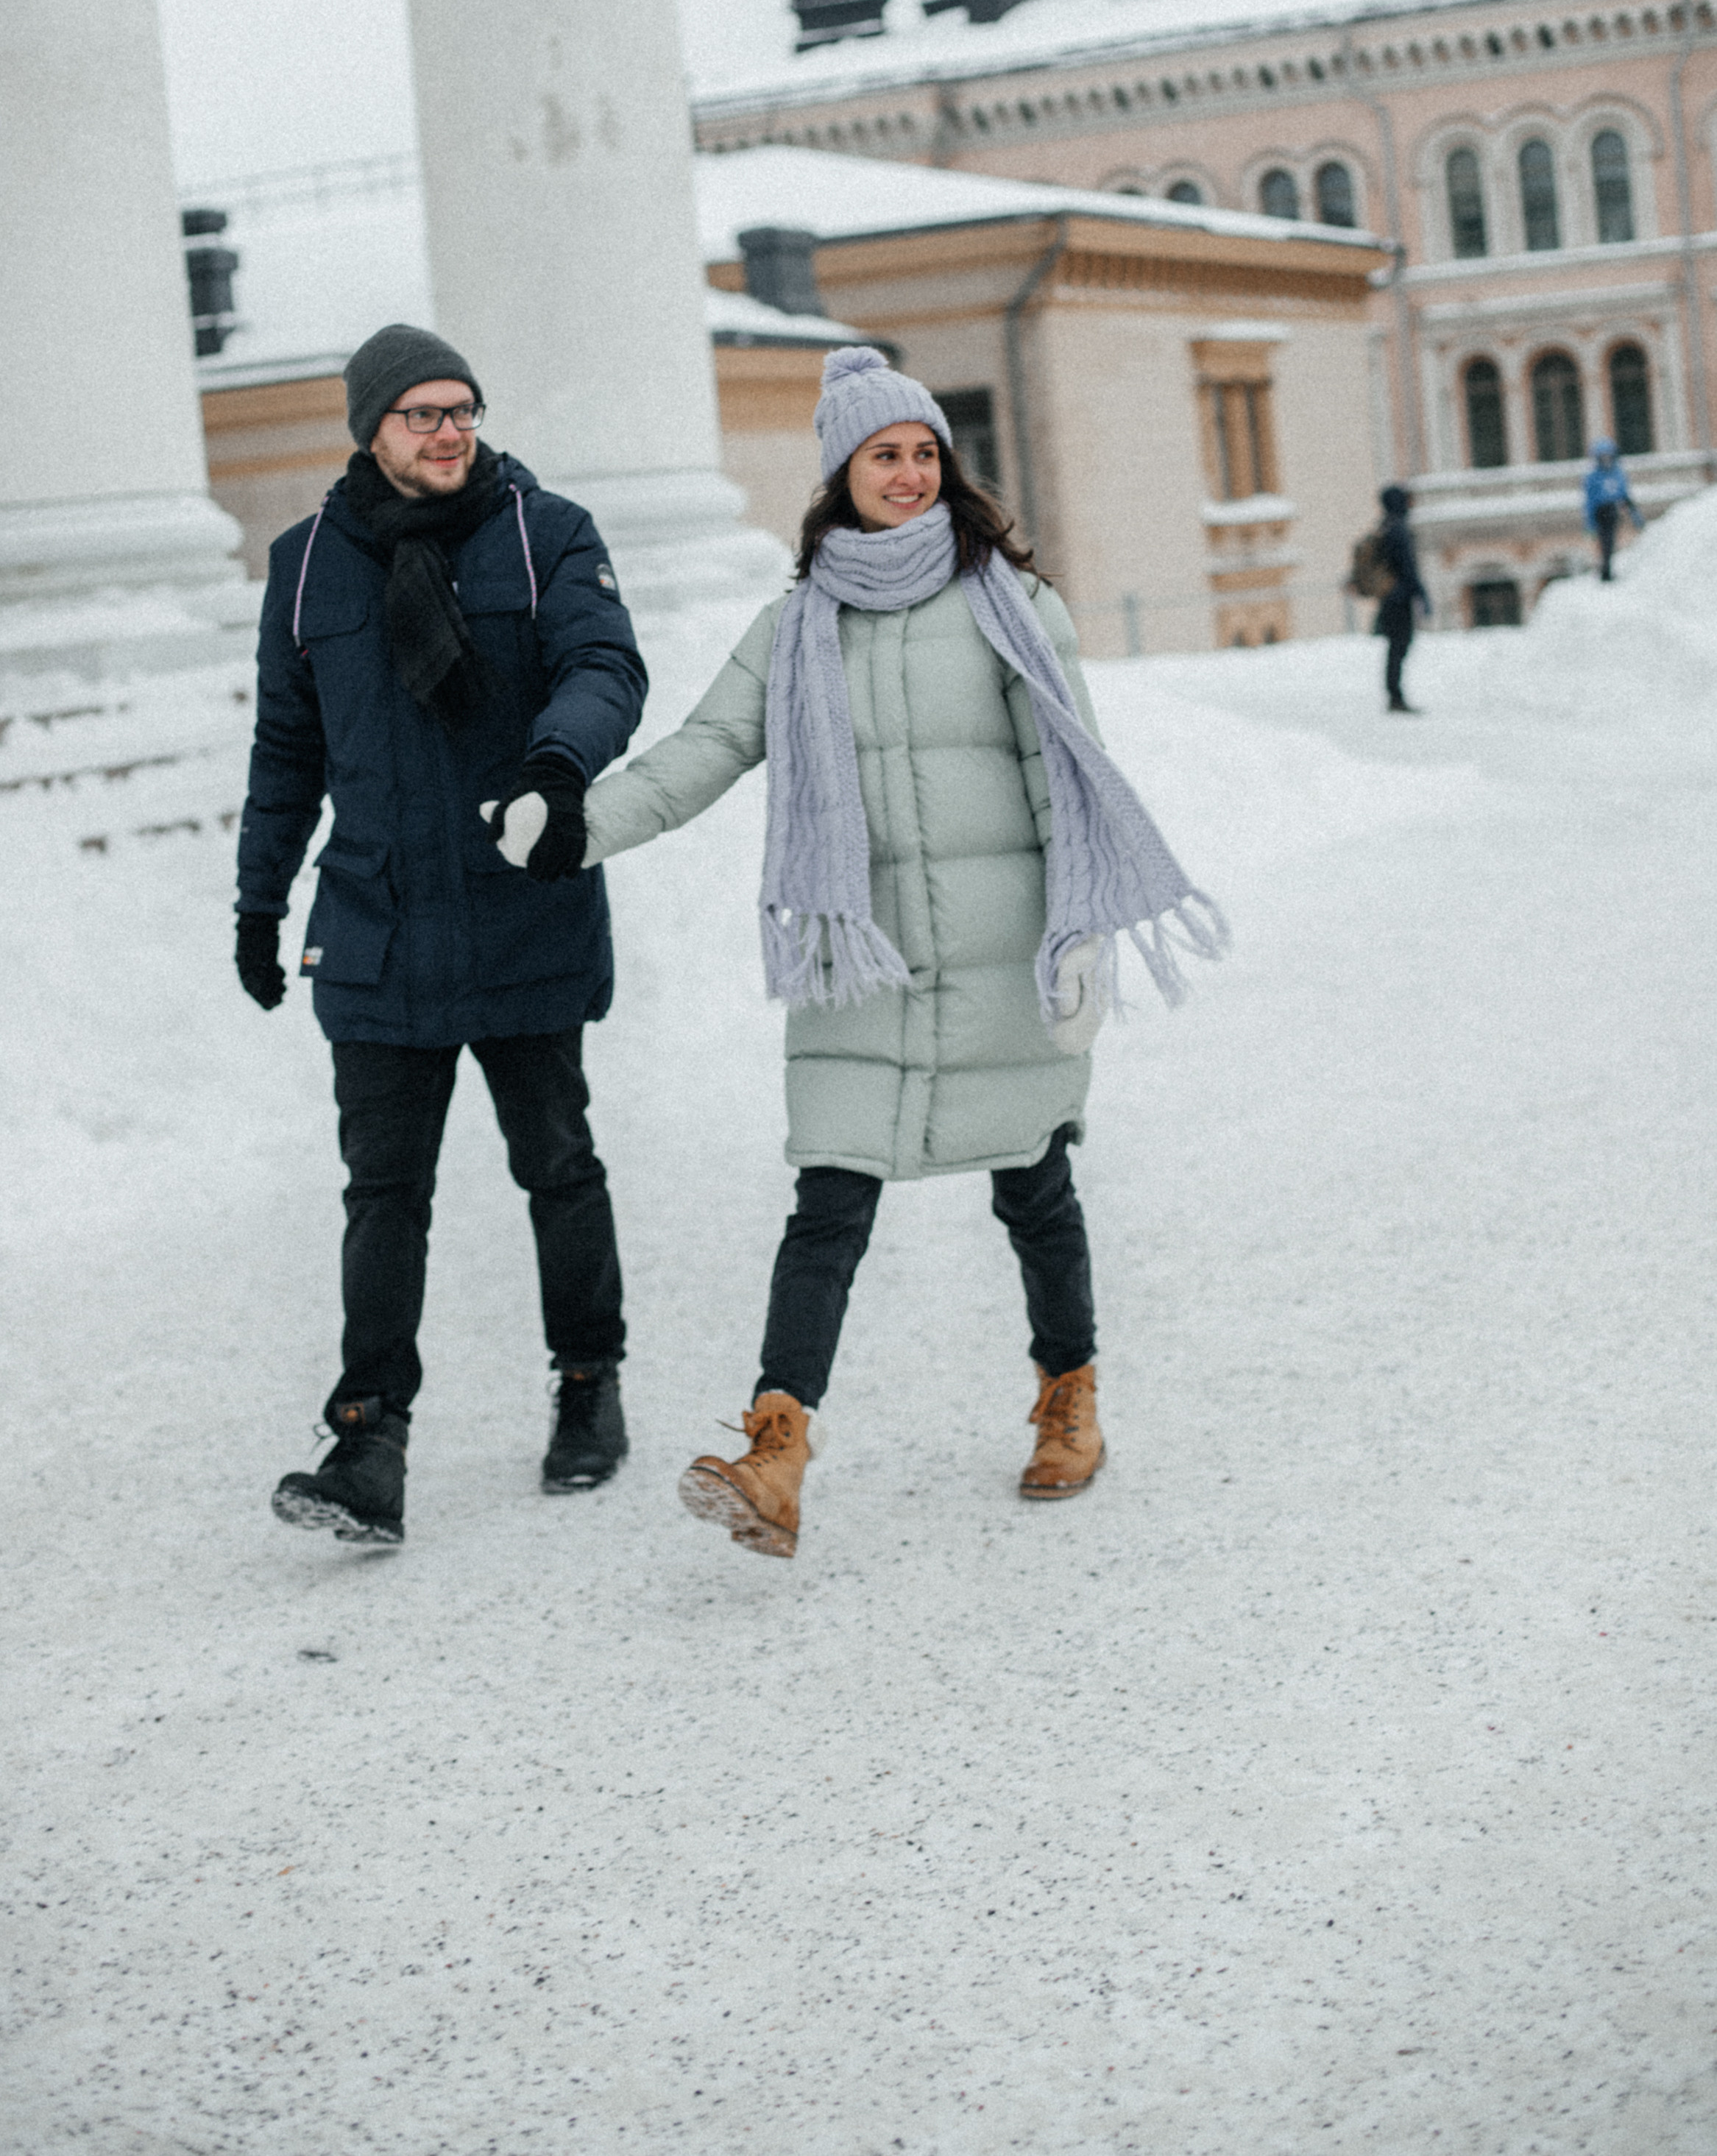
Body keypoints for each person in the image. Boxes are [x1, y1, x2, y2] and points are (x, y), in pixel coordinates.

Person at [513, 347, 1223, 1561]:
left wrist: (1079, 930)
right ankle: (776, 1452)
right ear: (840, 474)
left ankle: (1069, 1403)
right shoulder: (793, 628)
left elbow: (1067, 779)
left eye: (922, 453)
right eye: (882, 455)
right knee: (829, 1198)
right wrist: (577, 825)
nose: (907, 473)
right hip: (864, 955)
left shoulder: (1012, 604)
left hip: (1006, 950)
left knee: (1035, 1188)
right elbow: (703, 750)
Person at [235, 322, 648, 1545]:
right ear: (371, 427)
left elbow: (604, 667)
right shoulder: (308, 567)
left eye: (462, 410)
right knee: (383, 1194)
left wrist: (556, 764)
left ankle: (588, 1387)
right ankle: (369, 1441)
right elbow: (286, 752)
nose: (450, 431)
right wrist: (259, 901)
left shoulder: (544, 532)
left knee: (556, 1165)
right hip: (377, 921)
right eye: (422, 414)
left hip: (521, 899)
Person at [1374, 484, 1431, 713]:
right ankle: (1395, 696)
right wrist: (1421, 594)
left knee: (1395, 648)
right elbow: (1408, 567)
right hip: (1400, 598)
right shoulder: (1399, 530)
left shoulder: (1385, 527)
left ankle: (1394, 694)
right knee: (1399, 647)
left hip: (1389, 597)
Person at [1584, 437, 1644, 581]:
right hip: (1601, 512)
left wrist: (1636, 517)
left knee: (1611, 541)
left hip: (1613, 511)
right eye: (1603, 457)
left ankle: (1608, 568)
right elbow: (1589, 502)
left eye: (1608, 456)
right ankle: (1605, 570)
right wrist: (1590, 523)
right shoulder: (1593, 477)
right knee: (1604, 541)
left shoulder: (1618, 474)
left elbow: (1625, 496)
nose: (1606, 460)